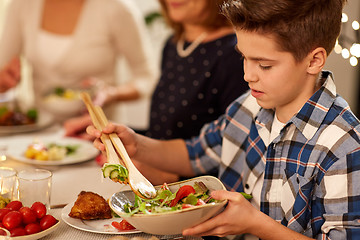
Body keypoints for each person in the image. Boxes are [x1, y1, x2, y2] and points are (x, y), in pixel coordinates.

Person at [87, 0, 359, 239]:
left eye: (264, 65)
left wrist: (257, 224)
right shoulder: (248, 106)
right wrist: (136, 145)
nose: (248, 75)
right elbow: (195, 153)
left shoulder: (343, 147)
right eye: (244, 58)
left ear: (314, 61)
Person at [0, 0, 156, 138]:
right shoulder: (21, 5)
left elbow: (147, 78)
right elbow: (3, 69)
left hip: (100, 136)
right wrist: (4, 81)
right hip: (39, 137)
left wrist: (111, 93)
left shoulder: (117, 7)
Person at [134, 0, 248, 185]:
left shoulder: (234, 53)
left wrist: (173, 179)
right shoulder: (173, 44)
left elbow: (235, 150)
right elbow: (163, 131)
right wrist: (116, 133)